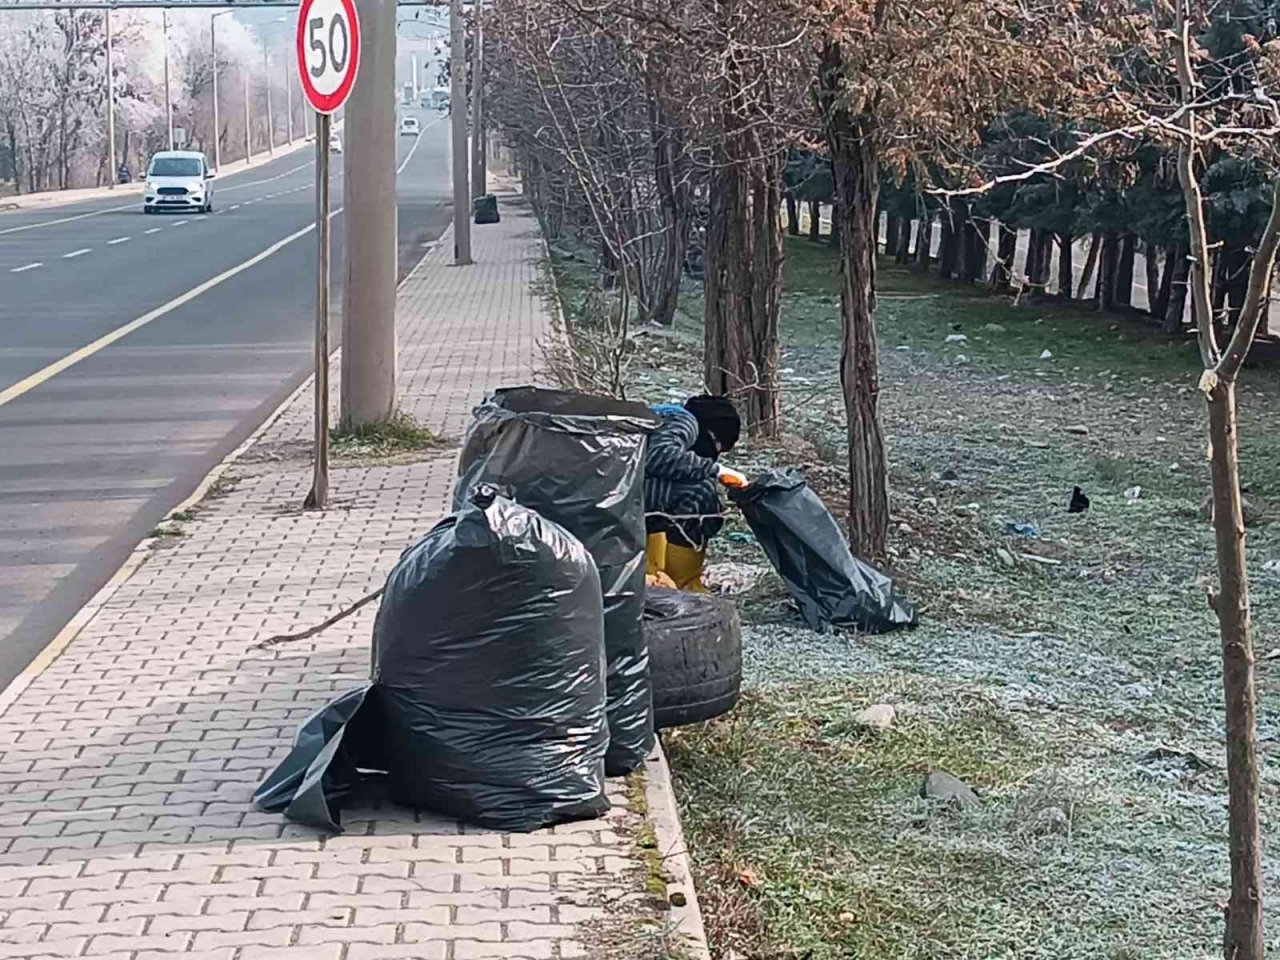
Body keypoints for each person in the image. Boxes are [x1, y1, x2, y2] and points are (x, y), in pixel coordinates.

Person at [644, 394, 747, 592]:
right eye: (718, 446)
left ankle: (660, 573)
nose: (714, 454)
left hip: (615, 492)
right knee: (701, 493)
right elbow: (659, 457)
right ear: (709, 431)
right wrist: (717, 470)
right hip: (620, 496)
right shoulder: (684, 421)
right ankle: (682, 584)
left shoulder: (660, 418)